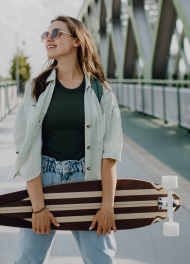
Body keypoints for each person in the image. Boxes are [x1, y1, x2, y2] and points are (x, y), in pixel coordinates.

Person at [13, 15, 123, 264]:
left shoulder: (101, 91)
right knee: (28, 260)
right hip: (44, 179)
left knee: (101, 260)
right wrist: (38, 206)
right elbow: (25, 149)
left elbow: (110, 155)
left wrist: (107, 207)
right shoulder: (37, 87)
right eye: (46, 35)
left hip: (88, 180)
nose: (48, 39)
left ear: (76, 41)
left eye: (56, 33)